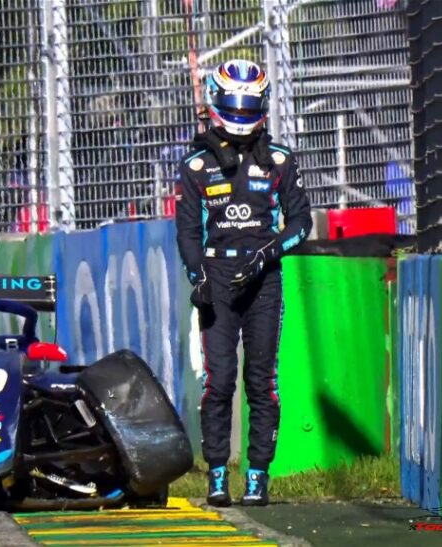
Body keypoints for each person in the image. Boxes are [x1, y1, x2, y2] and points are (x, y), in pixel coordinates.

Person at [175, 60, 312, 507]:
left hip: (264, 280)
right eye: (234, 103)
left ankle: (257, 474)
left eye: (249, 103)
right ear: (216, 102)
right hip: (216, 281)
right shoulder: (196, 165)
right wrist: (197, 277)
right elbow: (188, 232)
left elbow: (302, 223)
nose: (241, 111)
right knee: (219, 383)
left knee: (262, 382)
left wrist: (266, 254)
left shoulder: (280, 160)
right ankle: (217, 474)